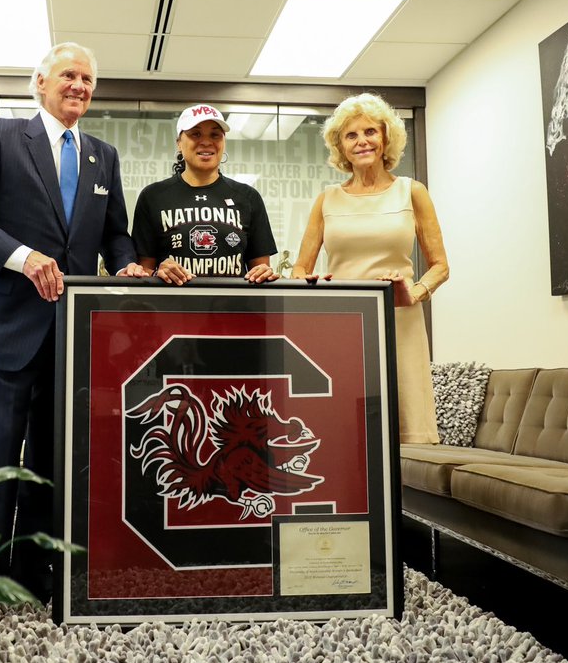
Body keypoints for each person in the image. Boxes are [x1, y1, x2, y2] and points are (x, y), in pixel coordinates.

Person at [0, 42, 147, 640]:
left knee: (55, 462)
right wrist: (24, 257)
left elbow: (116, 235)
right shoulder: (2, 136)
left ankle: (33, 573)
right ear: (40, 82)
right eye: (68, 76)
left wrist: (128, 264)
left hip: (75, 334)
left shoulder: (102, 156)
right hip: (9, 326)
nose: (79, 86)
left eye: (88, 79)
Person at [291, 93, 449, 444]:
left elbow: (440, 266)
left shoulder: (412, 192)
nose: (362, 141)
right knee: (346, 432)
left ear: (385, 138)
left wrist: (414, 293)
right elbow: (300, 268)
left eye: (370, 132)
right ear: (341, 147)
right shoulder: (327, 199)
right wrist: (312, 282)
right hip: (343, 323)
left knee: (406, 435)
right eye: (351, 135)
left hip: (400, 322)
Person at [131, 104, 279, 285]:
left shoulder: (248, 197)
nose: (206, 142)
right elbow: (143, 272)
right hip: (172, 309)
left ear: (224, 141)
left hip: (233, 309)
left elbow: (260, 271)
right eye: (196, 134)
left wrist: (264, 273)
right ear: (179, 142)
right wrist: (158, 272)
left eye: (215, 135)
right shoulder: (153, 197)